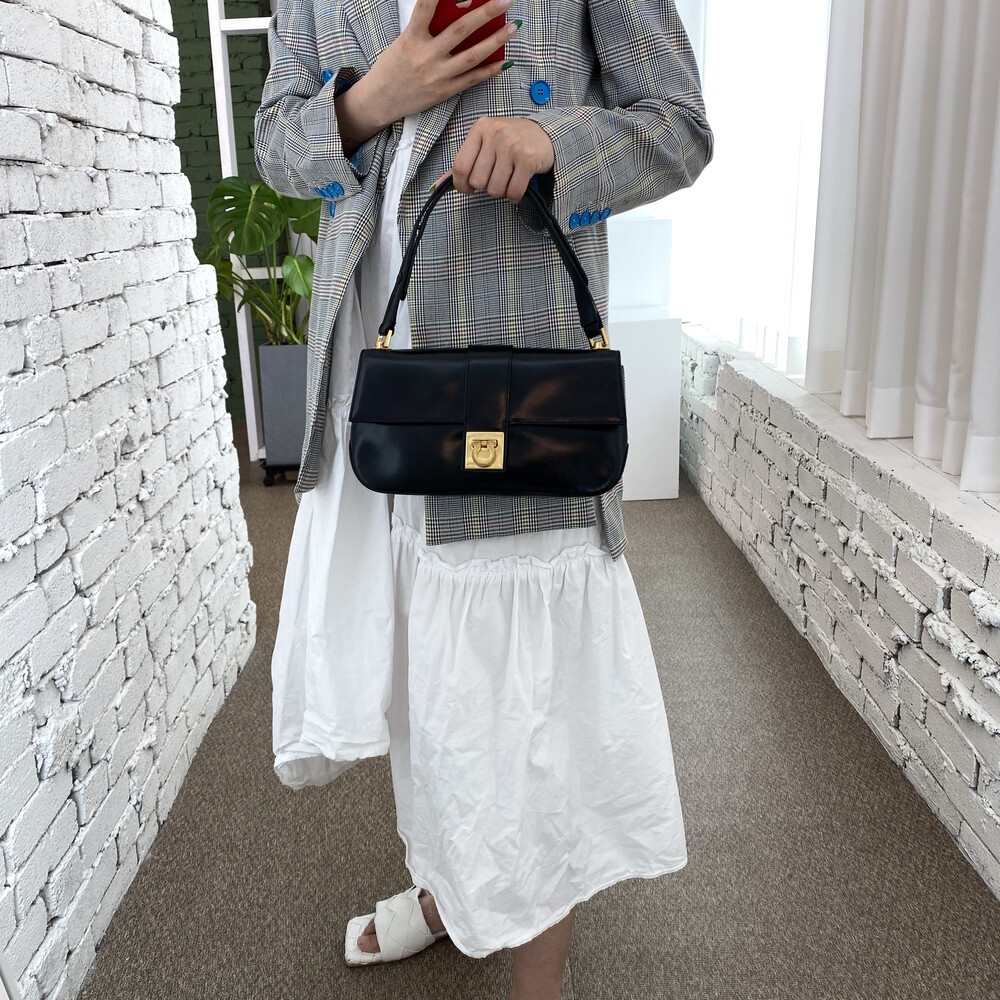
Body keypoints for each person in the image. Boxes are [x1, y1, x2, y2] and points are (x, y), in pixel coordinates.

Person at [254, 1, 713, 997]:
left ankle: (535, 983)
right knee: (422, 688)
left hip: (514, 374)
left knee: (521, 709)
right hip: (374, 381)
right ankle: (444, 891)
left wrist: (553, 142)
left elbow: (678, 125)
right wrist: (371, 101)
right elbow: (277, 147)